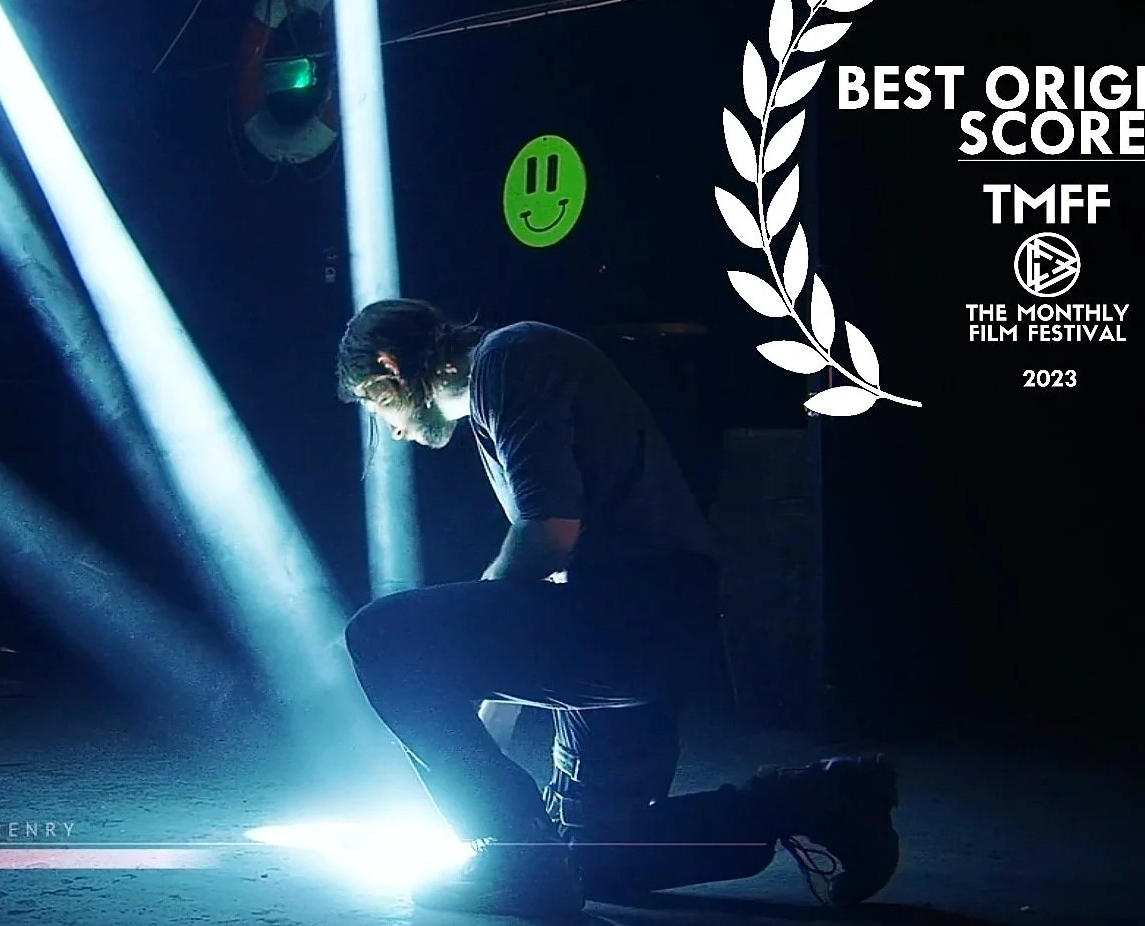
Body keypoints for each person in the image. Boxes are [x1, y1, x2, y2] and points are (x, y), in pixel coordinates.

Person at [336, 299, 901, 918]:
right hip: (644, 625)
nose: (390, 429)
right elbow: (549, 563)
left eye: (375, 404)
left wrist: (467, 705)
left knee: (383, 637)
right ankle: (818, 799)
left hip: (632, 615)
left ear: (390, 368)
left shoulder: (508, 358)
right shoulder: (508, 377)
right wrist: (482, 704)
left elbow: (548, 534)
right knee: (592, 855)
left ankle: (511, 857)